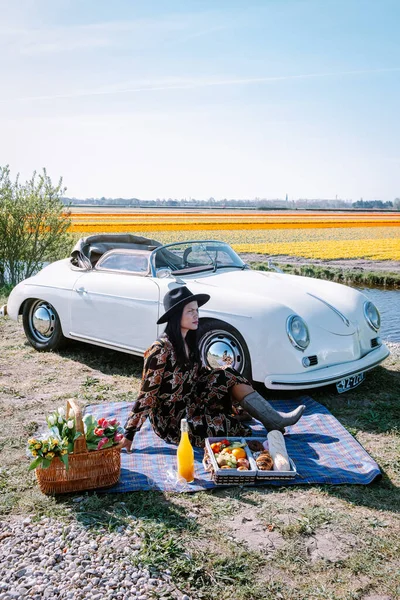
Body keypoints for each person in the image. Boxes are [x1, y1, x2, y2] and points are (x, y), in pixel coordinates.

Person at [120, 286, 305, 449]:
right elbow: (147, 395)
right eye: (190, 311)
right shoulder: (160, 350)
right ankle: (243, 417)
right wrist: (129, 433)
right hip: (172, 420)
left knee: (228, 373)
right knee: (230, 427)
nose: (196, 315)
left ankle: (273, 420)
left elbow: (198, 374)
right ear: (177, 317)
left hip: (192, 401)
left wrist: (223, 375)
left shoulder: (190, 340)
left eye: (197, 310)